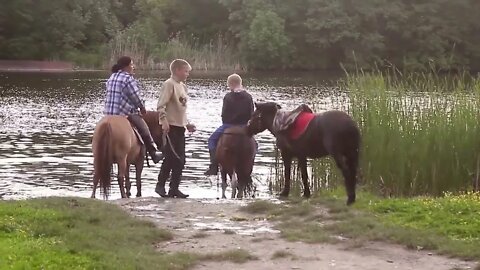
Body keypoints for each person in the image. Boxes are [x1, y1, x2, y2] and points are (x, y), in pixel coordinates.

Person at [104, 56, 163, 163]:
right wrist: (142, 107)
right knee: (144, 128)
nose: (133, 67)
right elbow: (135, 96)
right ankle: (153, 153)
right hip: (124, 113)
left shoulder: (111, 77)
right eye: (131, 64)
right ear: (126, 67)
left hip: (108, 114)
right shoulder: (128, 78)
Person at [155, 59, 196, 198]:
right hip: (171, 126)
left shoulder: (183, 87)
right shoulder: (169, 84)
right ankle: (160, 185)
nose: (187, 74)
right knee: (171, 158)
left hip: (180, 127)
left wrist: (187, 123)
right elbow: (161, 105)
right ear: (178, 70)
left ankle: (174, 188)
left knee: (181, 159)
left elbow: (181, 109)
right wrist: (163, 120)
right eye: (186, 71)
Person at [204, 73, 254, 176]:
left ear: (231, 84)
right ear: (240, 83)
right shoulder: (248, 96)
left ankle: (213, 166)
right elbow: (251, 113)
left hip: (228, 125)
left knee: (211, 140)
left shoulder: (228, 96)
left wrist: (227, 123)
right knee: (256, 145)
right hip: (244, 127)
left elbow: (224, 114)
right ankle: (250, 165)